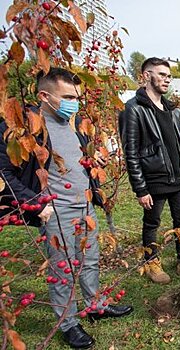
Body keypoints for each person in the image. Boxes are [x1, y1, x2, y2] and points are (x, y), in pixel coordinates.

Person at [0, 68, 132, 349]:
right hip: (55, 211)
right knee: (64, 270)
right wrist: (36, 205)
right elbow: (5, 174)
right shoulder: (26, 128)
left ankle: (95, 306)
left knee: (90, 260)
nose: (74, 102)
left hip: (84, 204)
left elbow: (76, 159)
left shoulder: (74, 123)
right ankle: (69, 323)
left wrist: (92, 160)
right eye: (68, 97)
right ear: (44, 96)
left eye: (77, 97)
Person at [119, 57, 180, 285]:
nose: (167, 80)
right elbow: (130, 151)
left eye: (169, 76)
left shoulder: (172, 110)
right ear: (147, 75)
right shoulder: (134, 109)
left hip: (178, 177)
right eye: (162, 75)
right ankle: (151, 263)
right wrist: (140, 188)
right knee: (152, 223)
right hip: (154, 179)